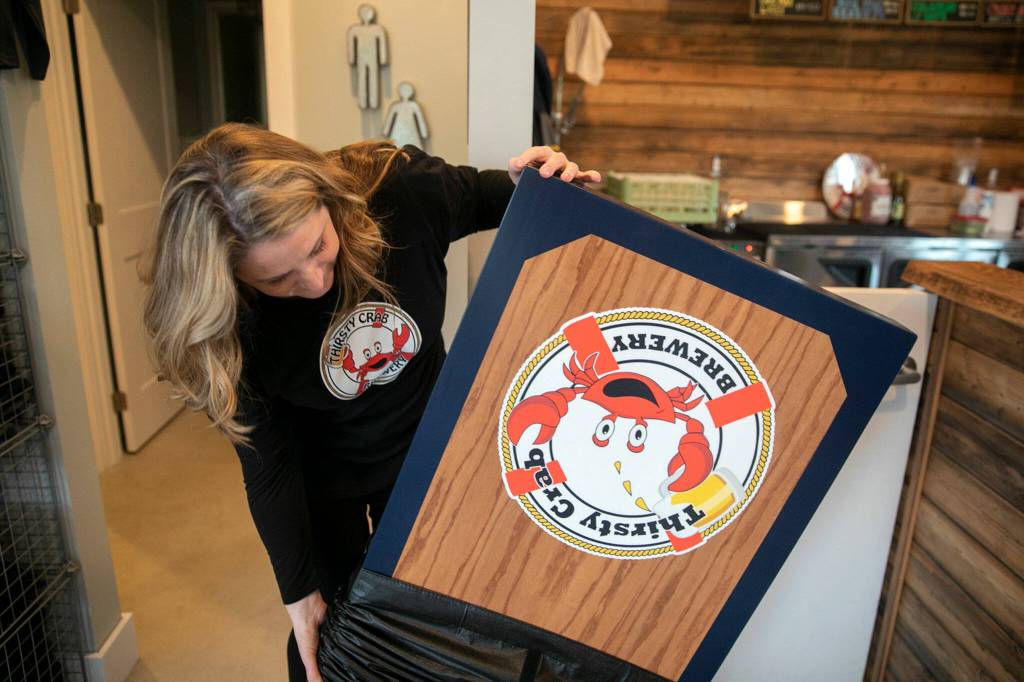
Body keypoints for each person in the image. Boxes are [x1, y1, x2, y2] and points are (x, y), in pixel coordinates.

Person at [142, 122, 600, 682]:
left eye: (318, 248)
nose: (312, 282)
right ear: (232, 279)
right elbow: (267, 465)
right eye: (279, 278)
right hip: (319, 479)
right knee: (326, 638)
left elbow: (491, 198)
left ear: (329, 202)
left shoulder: (400, 193)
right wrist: (299, 597)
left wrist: (540, 181)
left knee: (438, 626)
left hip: (425, 454)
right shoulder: (228, 319)